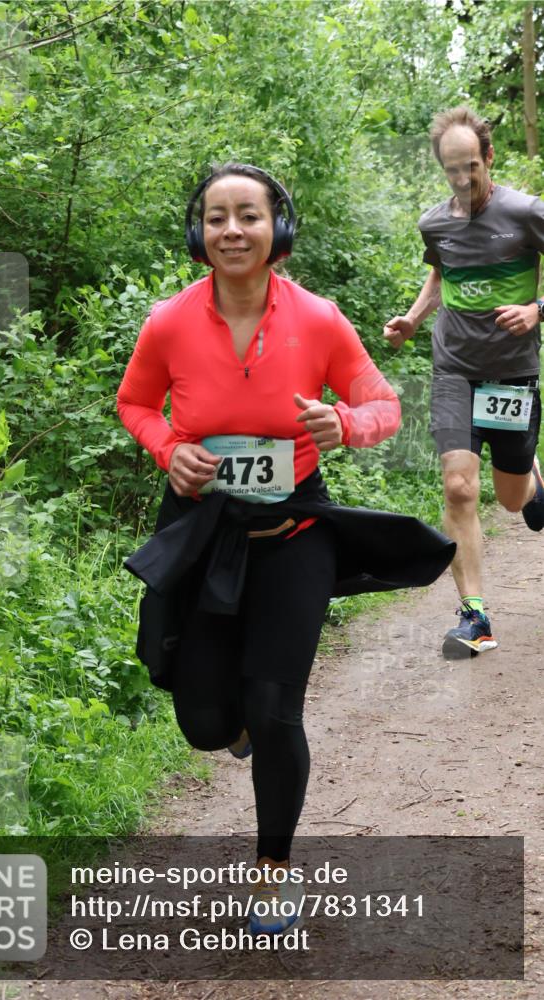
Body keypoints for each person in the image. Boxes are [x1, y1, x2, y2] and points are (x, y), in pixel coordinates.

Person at [117, 162, 455, 935]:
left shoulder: (318, 318)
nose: (231, 231)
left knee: (275, 711)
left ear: (278, 229)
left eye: (248, 216)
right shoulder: (168, 322)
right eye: (215, 218)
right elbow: (135, 402)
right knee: (204, 719)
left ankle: (271, 873)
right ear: (198, 233)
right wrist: (167, 446)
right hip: (201, 533)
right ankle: (229, 728)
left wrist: (348, 424)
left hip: (293, 533)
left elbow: (381, 403)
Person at [384, 107, 544, 660]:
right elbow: (441, 270)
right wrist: (413, 318)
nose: (462, 180)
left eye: (471, 167)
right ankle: (475, 618)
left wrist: (536, 309)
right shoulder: (435, 222)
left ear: (489, 158)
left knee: (510, 497)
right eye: (452, 170)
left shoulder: (525, 212)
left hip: (514, 371)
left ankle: (533, 481)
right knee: (458, 487)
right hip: (454, 366)